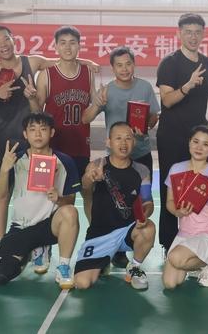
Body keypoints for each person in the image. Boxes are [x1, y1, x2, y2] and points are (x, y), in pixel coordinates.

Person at [0, 25, 97, 246]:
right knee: (3, 193)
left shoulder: (32, 62)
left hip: (36, 139)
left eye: (6, 39)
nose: (3, 44)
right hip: (5, 140)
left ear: (14, 40)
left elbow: (63, 59)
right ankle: (0, 242)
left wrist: (86, 63)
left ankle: (40, 244)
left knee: (41, 193)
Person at [82, 46, 160, 268]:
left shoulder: (145, 87)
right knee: (113, 204)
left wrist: (146, 125)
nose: (124, 69)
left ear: (134, 64)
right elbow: (86, 119)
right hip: (114, 161)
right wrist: (98, 103)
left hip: (141, 156)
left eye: (128, 64)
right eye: (119, 65)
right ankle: (112, 247)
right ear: (113, 68)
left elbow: (154, 117)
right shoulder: (107, 91)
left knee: (140, 203)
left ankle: (133, 242)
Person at [24, 26, 93, 274]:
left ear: (79, 45)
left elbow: (91, 109)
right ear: (55, 47)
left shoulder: (88, 72)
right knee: (49, 198)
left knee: (86, 196)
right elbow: (38, 112)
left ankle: (94, 244)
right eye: (62, 42)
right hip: (54, 150)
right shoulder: (47, 75)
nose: (67, 47)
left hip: (81, 146)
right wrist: (31, 97)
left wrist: (101, 103)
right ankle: (43, 246)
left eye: (72, 42)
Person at [0, 113, 80, 289]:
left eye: (43, 129)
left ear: (52, 132)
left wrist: (59, 198)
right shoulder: (15, 160)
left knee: (70, 213)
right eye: (32, 130)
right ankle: (32, 251)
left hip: (49, 226)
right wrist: (4, 169)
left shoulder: (65, 162)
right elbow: (0, 195)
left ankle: (63, 267)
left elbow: (70, 203)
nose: (38, 134)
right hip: (21, 227)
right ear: (25, 134)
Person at [156, 13, 208, 252]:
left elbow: (203, 103)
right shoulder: (169, 63)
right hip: (172, 136)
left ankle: (203, 238)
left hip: (199, 138)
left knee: (204, 186)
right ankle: (169, 243)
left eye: (197, 32)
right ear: (179, 33)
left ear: (203, 34)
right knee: (170, 189)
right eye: (188, 32)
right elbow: (167, 100)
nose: (193, 36)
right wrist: (187, 85)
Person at [74, 122, 156, 290]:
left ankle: (134, 267)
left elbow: (148, 202)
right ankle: (104, 260)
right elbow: (85, 188)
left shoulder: (142, 170)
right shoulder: (96, 165)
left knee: (149, 228)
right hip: (100, 234)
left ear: (134, 142)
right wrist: (90, 178)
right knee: (82, 283)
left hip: (127, 232)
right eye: (118, 138)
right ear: (108, 142)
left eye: (128, 138)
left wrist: (144, 215)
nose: (123, 143)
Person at [162, 126, 208, 289]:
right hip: (186, 232)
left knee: (176, 258)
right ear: (189, 143)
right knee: (170, 283)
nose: (199, 147)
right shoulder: (176, 169)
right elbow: (169, 201)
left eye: (206, 144)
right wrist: (178, 212)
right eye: (196, 142)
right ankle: (199, 263)